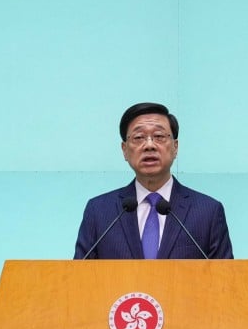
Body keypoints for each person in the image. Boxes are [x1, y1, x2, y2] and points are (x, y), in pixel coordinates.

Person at [74, 102, 234, 259]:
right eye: (138, 137)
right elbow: (78, 274)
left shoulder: (208, 212)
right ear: (124, 150)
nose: (149, 145)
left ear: (175, 147)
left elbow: (225, 275)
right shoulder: (99, 211)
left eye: (159, 136)